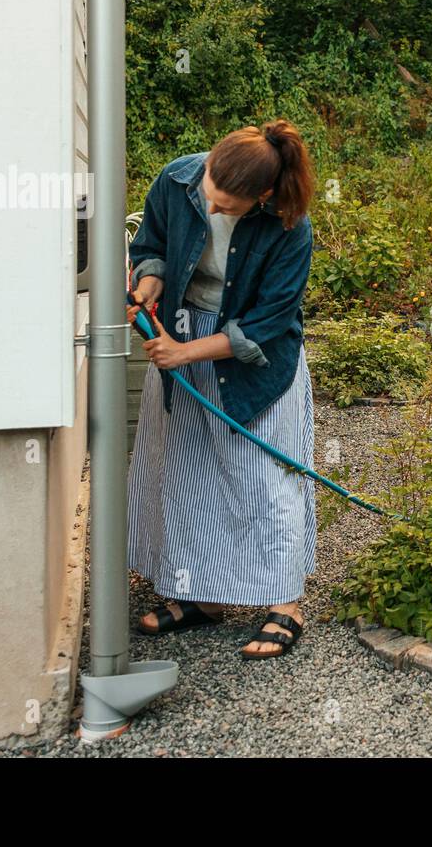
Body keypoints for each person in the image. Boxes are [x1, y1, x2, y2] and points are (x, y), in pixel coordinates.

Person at [125, 120, 318, 660]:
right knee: (188, 473)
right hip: (178, 339)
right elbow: (154, 244)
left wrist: (184, 354)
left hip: (252, 363)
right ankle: (202, 596)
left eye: (226, 207)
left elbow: (266, 323)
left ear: (261, 198)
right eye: (209, 195)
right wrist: (147, 285)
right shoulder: (177, 179)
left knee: (261, 477)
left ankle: (285, 604)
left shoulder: (289, 228)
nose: (211, 211)